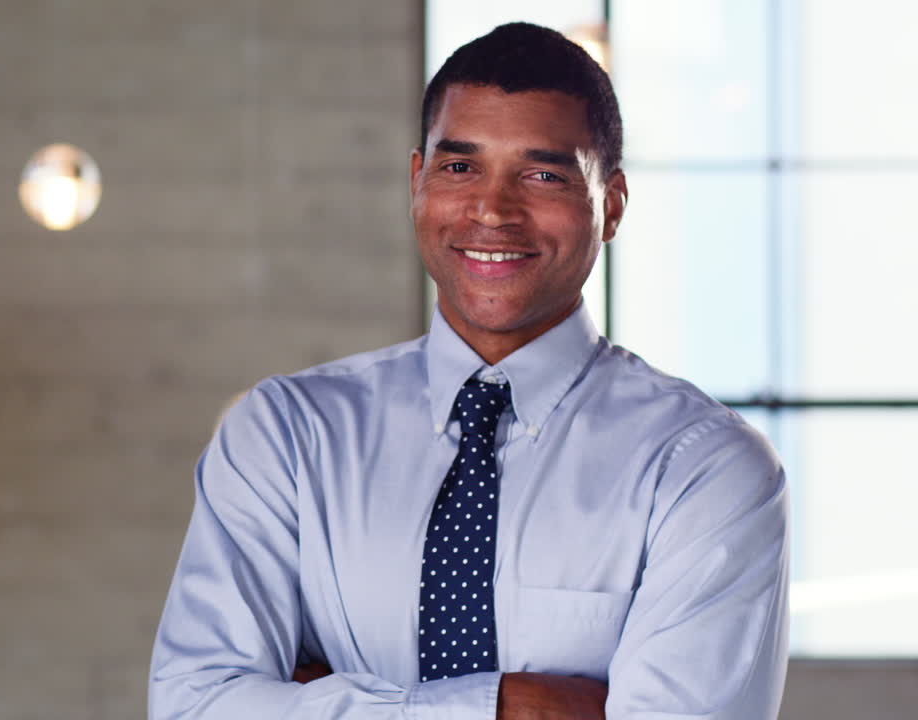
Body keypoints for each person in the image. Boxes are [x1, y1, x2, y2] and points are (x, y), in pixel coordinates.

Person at [148, 22, 788, 720]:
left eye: (543, 174)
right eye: (461, 167)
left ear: (611, 206)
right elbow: (195, 708)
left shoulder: (703, 468)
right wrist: (512, 706)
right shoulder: (285, 436)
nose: (492, 209)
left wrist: (322, 698)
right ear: (417, 182)